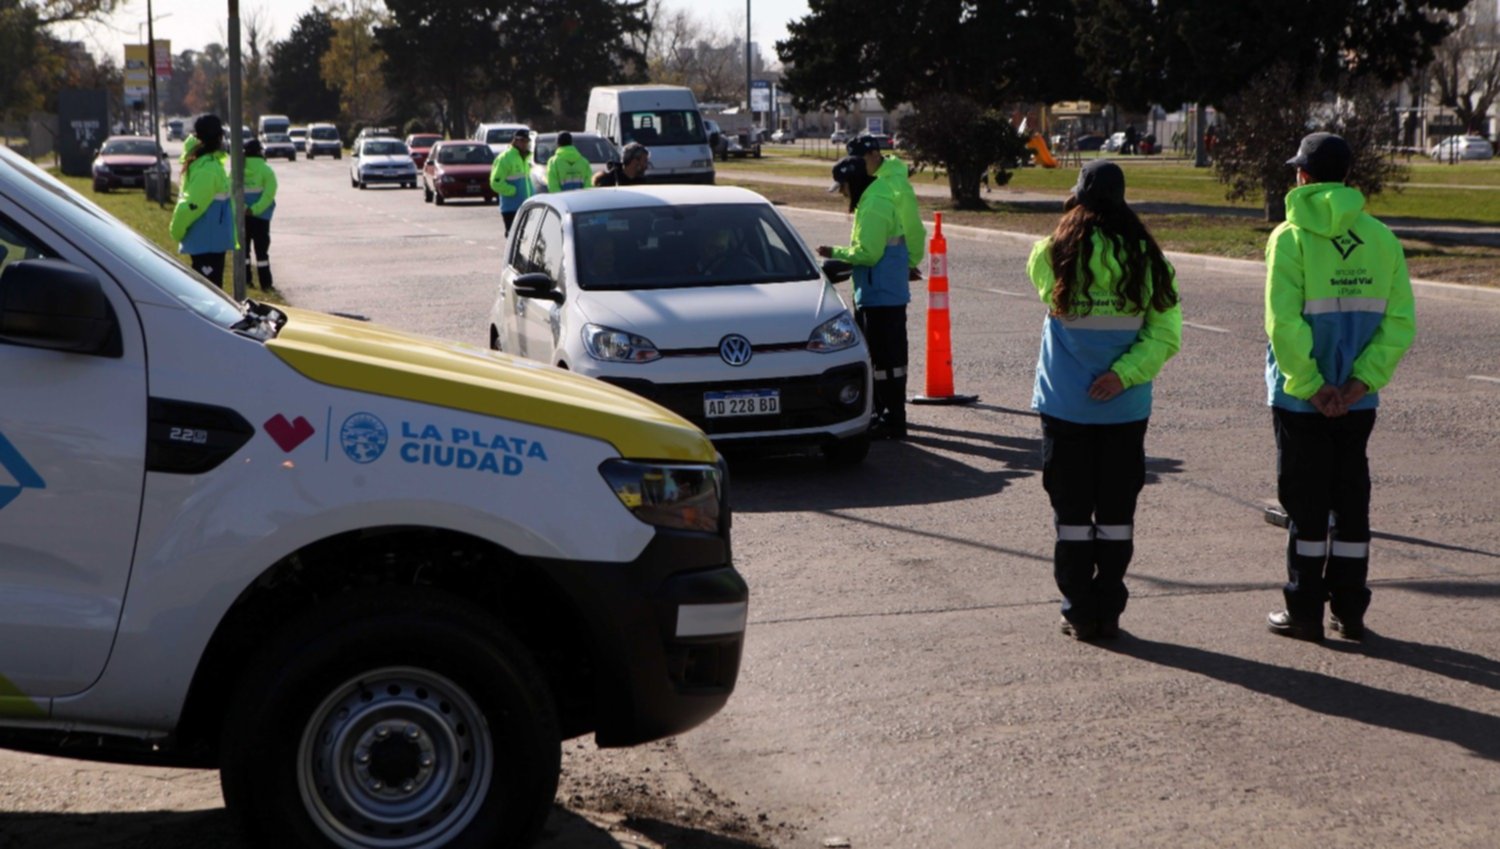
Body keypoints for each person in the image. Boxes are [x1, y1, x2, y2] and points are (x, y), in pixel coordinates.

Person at [1263, 132, 1416, 642]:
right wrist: (1357, 384)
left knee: (1305, 506)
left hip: (1299, 400)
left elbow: (1283, 323)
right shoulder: (1381, 238)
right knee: (1350, 501)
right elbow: (1399, 323)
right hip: (1357, 402)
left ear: (1302, 176)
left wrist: (1311, 386)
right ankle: (1350, 612)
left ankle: (1304, 610)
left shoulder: (1289, 237)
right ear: (1348, 177)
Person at [1027, 160, 1182, 641]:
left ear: (1078, 199)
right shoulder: (1150, 260)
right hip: (1124, 409)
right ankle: (1109, 609)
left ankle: (1077, 610)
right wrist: (1123, 375)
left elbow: (1040, 276)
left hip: (1065, 407)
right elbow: (1165, 336)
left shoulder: (1052, 253)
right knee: (1116, 515)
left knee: (1072, 516)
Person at [816, 156, 911, 440]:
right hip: (878, 292)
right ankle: (885, 414)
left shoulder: (873, 205)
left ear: (853, 182)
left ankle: (892, 418)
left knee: (886, 362)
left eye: (843, 187)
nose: (843, 194)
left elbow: (868, 254)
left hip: (882, 296)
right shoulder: (872, 199)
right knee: (883, 360)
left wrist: (835, 253)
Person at [169, 114, 234, 287]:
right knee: (210, 295)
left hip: (208, 241)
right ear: (218, 137)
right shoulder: (208, 169)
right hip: (207, 243)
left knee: (208, 291)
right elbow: (192, 205)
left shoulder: (208, 163)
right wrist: (177, 230)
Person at [847, 135, 925, 278]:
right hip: (868, 265)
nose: (857, 165)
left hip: (889, 267)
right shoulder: (868, 180)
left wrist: (909, 264)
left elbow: (912, 225)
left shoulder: (895, 185)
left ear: (875, 155)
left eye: (861, 160)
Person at [241, 138, 279, 291]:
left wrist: (245, 208)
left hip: (242, 217)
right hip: (261, 218)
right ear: (260, 152)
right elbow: (269, 195)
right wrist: (255, 209)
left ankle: (246, 281)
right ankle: (266, 283)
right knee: (262, 252)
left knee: (244, 251)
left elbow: (231, 191)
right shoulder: (266, 170)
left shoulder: (237, 170)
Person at [489, 128, 533, 236]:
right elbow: (495, 182)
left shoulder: (525, 158)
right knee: (514, 238)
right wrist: (513, 191)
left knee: (526, 238)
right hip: (511, 208)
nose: (524, 144)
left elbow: (527, 181)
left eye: (526, 141)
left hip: (526, 206)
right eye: (521, 141)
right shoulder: (505, 158)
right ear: (515, 140)